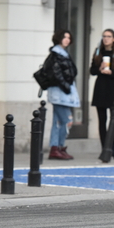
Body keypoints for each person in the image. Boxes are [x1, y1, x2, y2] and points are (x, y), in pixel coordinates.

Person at [90, 28, 114, 160]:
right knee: (102, 120)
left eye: (108, 36)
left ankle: (111, 148)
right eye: (104, 36)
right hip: (101, 88)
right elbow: (92, 71)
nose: (106, 38)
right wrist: (100, 68)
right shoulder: (98, 52)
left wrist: (112, 72)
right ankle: (104, 149)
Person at [46, 29, 80, 160]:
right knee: (67, 121)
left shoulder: (62, 53)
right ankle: (57, 147)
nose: (67, 40)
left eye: (69, 38)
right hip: (60, 94)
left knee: (58, 121)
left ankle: (57, 148)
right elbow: (56, 73)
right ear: (58, 38)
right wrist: (66, 87)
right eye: (64, 37)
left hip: (62, 94)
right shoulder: (56, 54)